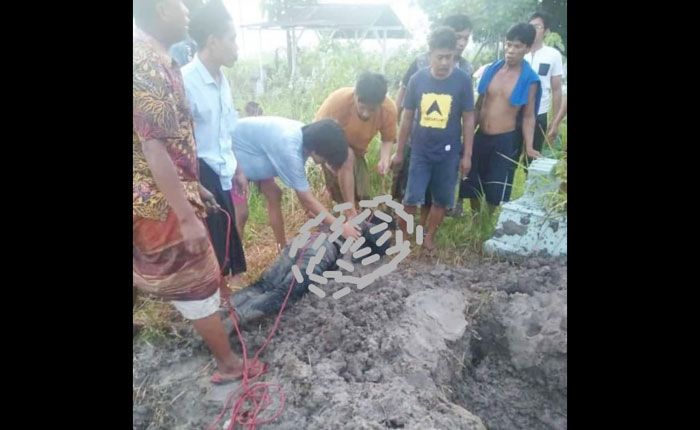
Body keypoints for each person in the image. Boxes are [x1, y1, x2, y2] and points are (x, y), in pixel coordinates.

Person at [133, 0, 262, 385]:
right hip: (156, 199)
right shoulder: (146, 66)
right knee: (197, 280)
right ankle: (229, 365)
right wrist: (186, 217)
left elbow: (171, 142)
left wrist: (195, 185)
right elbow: (153, 148)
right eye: (180, 4)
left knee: (179, 274)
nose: (188, 10)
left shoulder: (161, 60)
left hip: (170, 189)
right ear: (161, 10)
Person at [182, 0, 247, 292]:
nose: (237, 46)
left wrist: (238, 168)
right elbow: (180, 144)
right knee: (213, 246)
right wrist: (194, 185)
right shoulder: (185, 82)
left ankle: (231, 299)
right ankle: (219, 303)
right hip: (201, 175)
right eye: (232, 39)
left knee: (230, 238)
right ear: (212, 41)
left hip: (222, 171)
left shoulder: (223, 81)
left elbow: (225, 132)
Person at [395, 27, 475, 250]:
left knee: (441, 199)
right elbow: (407, 117)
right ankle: (404, 236)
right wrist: (400, 151)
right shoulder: (417, 80)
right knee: (411, 197)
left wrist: (467, 155)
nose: (444, 62)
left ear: (454, 56)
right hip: (420, 150)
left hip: (449, 153)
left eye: (449, 57)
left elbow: (469, 118)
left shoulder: (463, 81)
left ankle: (428, 237)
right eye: (440, 57)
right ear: (430, 54)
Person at [232, 116, 361, 251]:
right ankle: (234, 266)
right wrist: (340, 228)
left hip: (256, 152)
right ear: (316, 150)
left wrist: (308, 210)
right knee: (241, 213)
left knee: (274, 194)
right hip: (231, 153)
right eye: (327, 158)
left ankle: (281, 247)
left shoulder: (306, 137)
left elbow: (300, 185)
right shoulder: (289, 148)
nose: (326, 162)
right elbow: (307, 198)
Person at [460, 23, 542, 216]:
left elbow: (529, 115)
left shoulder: (529, 79)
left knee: (496, 186)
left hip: (506, 139)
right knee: (473, 180)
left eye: (517, 47)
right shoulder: (491, 70)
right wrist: (468, 134)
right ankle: (474, 218)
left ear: (527, 49)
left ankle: (488, 220)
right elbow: (479, 105)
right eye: (508, 45)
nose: (511, 51)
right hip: (481, 135)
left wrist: (529, 146)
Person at [314, 72, 398, 216]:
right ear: (355, 95)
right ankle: (343, 217)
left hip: (358, 152)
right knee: (340, 194)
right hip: (331, 149)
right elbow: (317, 136)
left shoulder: (388, 109)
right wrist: (328, 163)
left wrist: (384, 158)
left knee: (362, 193)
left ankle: (358, 217)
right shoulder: (337, 102)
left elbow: (388, 138)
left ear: (381, 102)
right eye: (362, 106)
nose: (366, 114)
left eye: (372, 109)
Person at [523, 10, 564, 165]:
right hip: (516, 112)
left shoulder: (553, 55)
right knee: (511, 156)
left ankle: (530, 188)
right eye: (531, 26)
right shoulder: (520, 51)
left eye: (538, 26)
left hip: (539, 113)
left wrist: (555, 122)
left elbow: (556, 90)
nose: (533, 29)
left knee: (532, 158)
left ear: (546, 31)